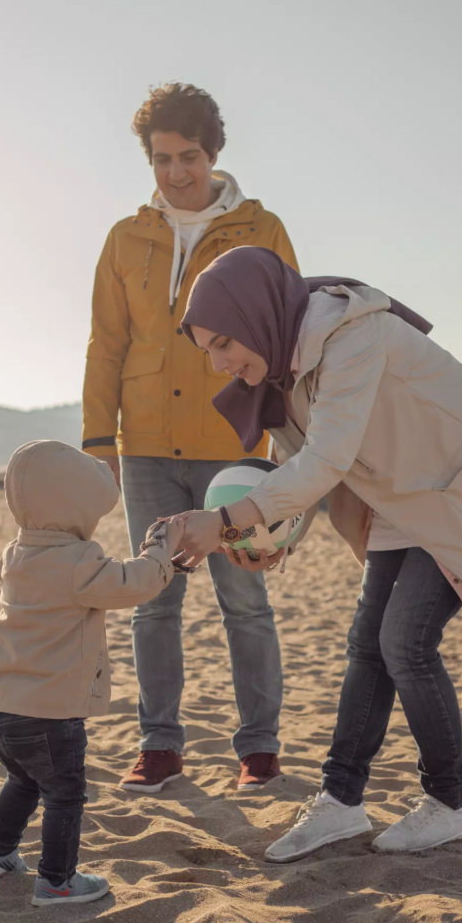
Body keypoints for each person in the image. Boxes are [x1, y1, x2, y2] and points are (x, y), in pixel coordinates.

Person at [178, 245, 462, 860]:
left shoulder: (351, 334)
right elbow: (301, 467)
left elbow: (328, 457)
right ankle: (340, 803)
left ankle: (451, 803)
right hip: (400, 500)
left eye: (224, 343)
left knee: (405, 645)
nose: (219, 363)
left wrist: (226, 520)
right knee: (367, 647)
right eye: (208, 350)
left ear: (257, 315)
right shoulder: (284, 366)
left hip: (455, 492)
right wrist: (268, 537)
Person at [82, 83, 299, 793]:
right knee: (154, 600)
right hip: (143, 445)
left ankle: (259, 750)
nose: (176, 172)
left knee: (245, 602)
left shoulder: (260, 229)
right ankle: (160, 746)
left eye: (190, 157)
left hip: (233, 447)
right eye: (162, 158)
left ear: (214, 153)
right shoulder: (124, 237)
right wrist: (97, 442)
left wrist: (289, 445)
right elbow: (107, 345)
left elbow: (290, 336)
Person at [0, 439, 185, 906]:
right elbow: (136, 583)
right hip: (50, 713)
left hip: (2, 708)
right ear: (75, 505)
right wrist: (160, 551)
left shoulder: (16, 553)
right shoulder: (78, 562)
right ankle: (56, 881)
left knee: (25, 779)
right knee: (65, 793)